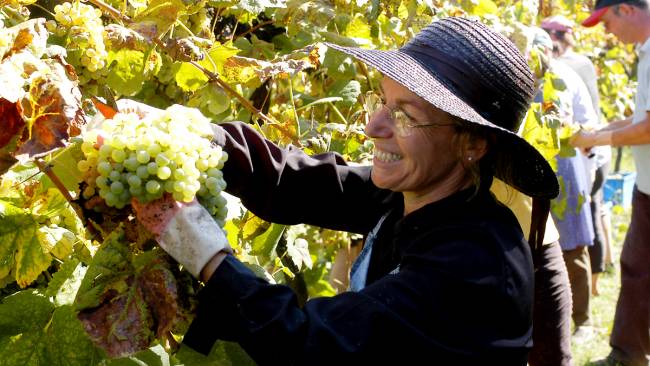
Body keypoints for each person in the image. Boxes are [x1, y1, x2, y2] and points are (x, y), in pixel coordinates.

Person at [132, 17, 559, 364]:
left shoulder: (474, 262)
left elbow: (314, 346)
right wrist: (202, 138)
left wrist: (210, 259)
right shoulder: (419, 195)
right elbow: (298, 181)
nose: (373, 127)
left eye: (406, 117)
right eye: (383, 102)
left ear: (472, 145)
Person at [572, 1, 650, 365]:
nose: (606, 33)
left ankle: (628, 352)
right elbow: (638, 119)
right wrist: (597, 131)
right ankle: (629, 350)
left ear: (626, 9)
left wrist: (593, 140)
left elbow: (648, 129)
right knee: (636, 265)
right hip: (647, 187)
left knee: (637, 267)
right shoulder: (645, 52)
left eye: (606, 22)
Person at [532, 27, 598, 342]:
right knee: (536, 248)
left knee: (573, 248)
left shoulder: (566, 78)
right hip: (529, 172)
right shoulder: (522, 78)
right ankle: (542, 317)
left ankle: (583, 321)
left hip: (567, 171)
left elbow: (588, 122)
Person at [541, 14, 614, 297]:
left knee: (575, 241)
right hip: (542, 171)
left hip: (573, 166)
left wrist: (587, 142)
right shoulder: (529, 78)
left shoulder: (570, 73)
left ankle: (584, 311)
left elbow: (587, 122)